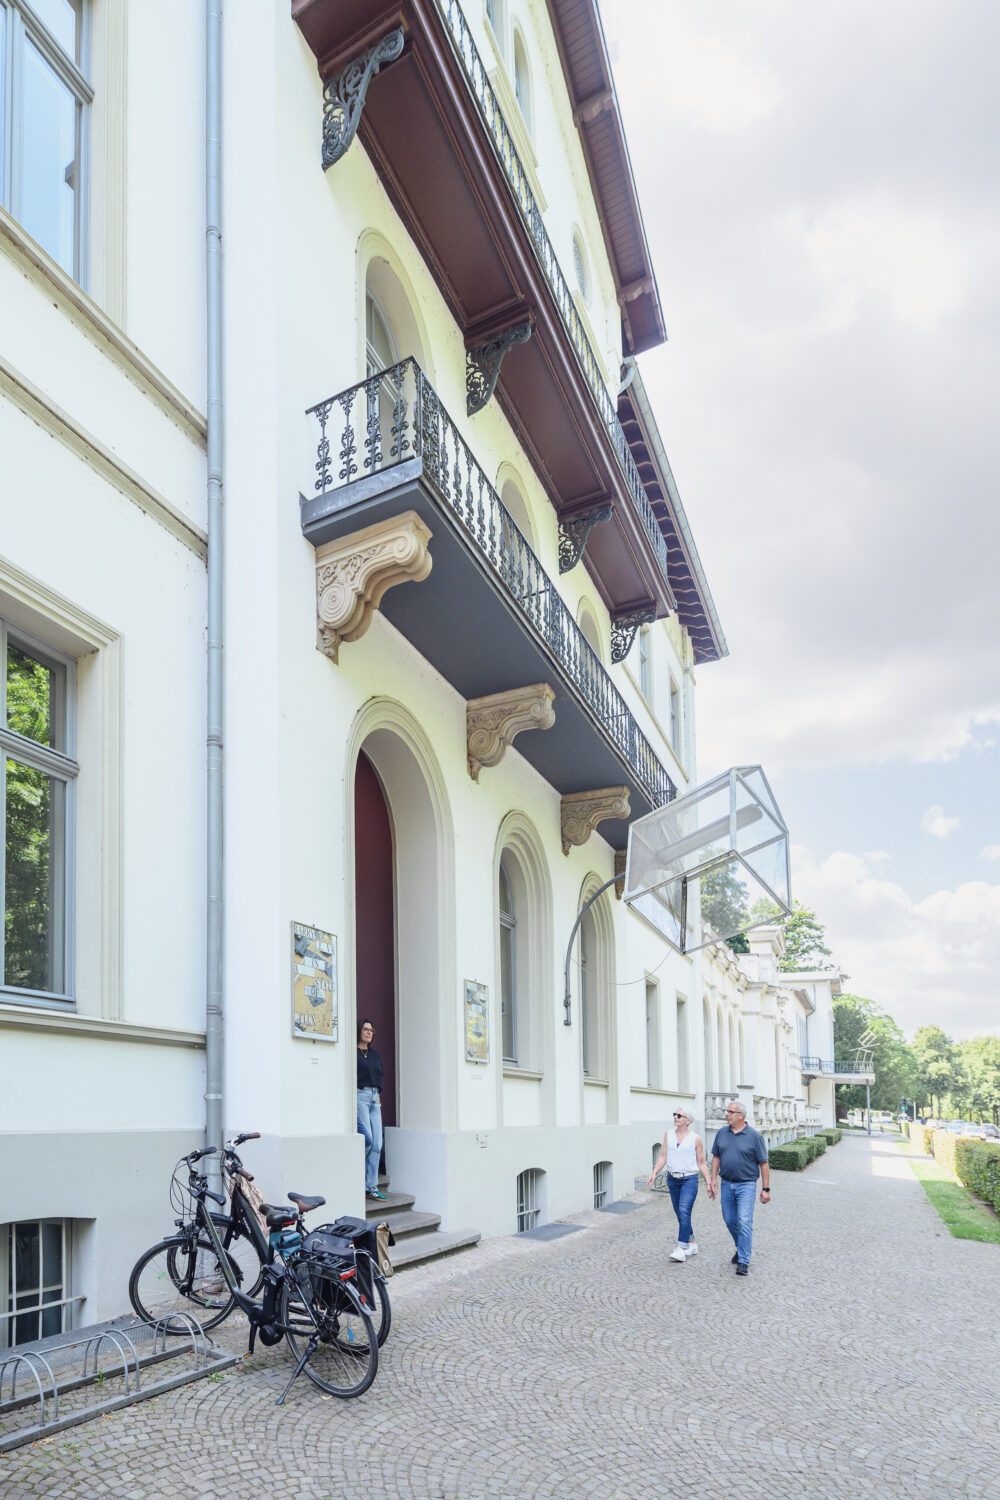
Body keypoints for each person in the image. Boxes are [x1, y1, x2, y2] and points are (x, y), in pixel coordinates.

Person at [710, 1098, 770, 1275]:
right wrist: (713, 1179)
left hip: (747, 1185)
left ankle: (743, 1260)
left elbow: (764, 1164)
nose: (726, 1115)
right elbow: (716, 1157)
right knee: (730, 1221)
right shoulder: (721, 1133)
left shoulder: (754, 1136)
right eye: (727, 1112)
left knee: (744, 1221)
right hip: (727, 1184)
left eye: (730, 1112)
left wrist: (766, 1189)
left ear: (741, 1115)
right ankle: (740, 1246)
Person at [648, 1106, 714, 1262]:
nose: (675, 1117)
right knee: (680, 1214)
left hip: (689, 1180)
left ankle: (681, 1248)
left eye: (679, 1115)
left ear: (688, 1120)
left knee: (684, 1211)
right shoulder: (669, 1135)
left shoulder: (695, 1138)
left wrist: (709, 1183)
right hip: (672, 1179)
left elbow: (702, 1163)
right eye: (675, 1114)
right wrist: (654, 1173)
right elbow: (663, 1156)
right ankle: (692, 1244)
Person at [357, 1017, 386, 1201]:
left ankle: (371, 1187)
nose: (369, 1032)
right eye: (365, 1029)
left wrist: (379, 1099)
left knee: (377, 1144)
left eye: (371, 1030)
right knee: (366, 1140)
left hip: (375, 1099)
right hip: (361, 1096)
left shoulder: (375, 1055)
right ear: (358, 1031)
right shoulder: (354, 1052)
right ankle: (357, 1179)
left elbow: (379, 1078)